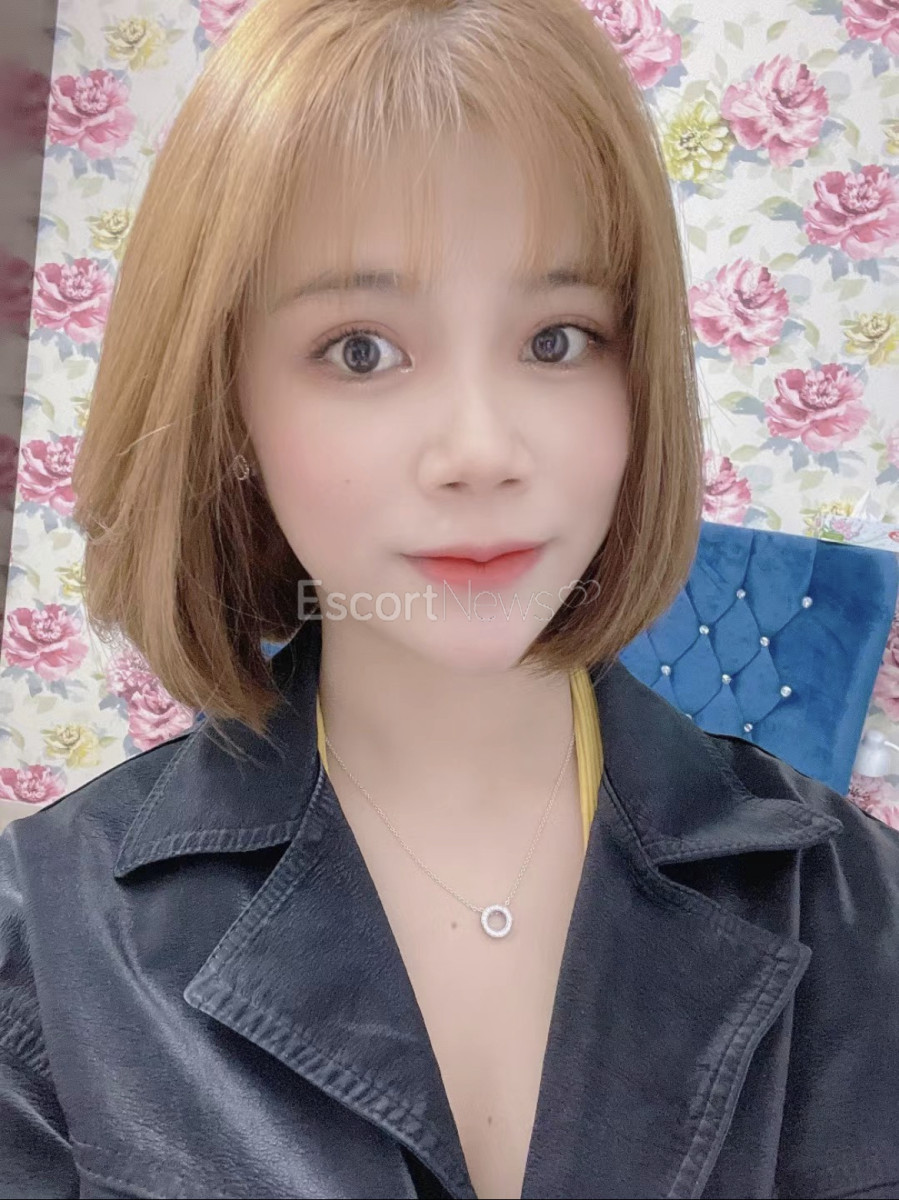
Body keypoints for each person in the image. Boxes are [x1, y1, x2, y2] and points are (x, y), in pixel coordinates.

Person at [2, 0, 899, 1196]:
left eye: (557, 339)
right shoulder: (47, 949)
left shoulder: (856, 911)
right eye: (360, 349)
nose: (480, 450)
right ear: (229, 408)